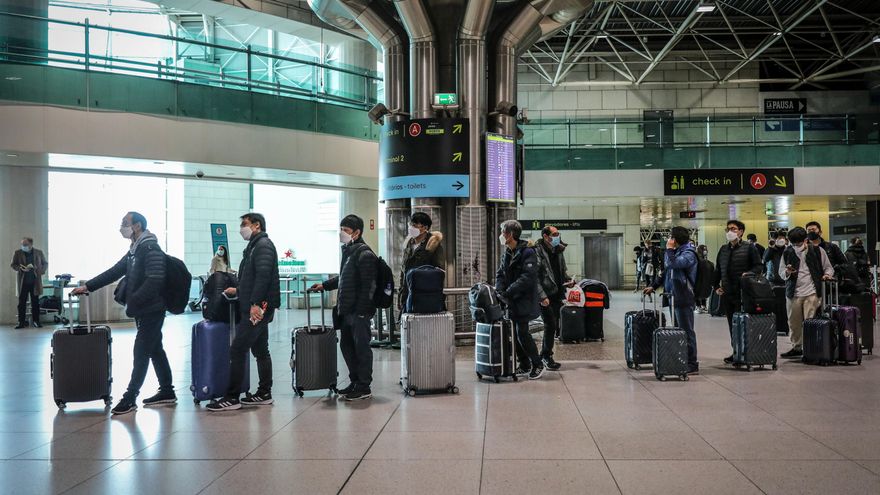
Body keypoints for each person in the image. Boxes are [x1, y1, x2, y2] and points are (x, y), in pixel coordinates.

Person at [71, 212, 174, 415]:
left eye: (125, 223)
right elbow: (115, 271)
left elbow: (155, 279)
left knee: (141, 351)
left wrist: (134, 301)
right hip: (144, 309)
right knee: (155, 349)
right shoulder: (134, 250)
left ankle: (130, 397)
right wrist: (88, 286)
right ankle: (167, 391)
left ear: (137, 226)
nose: (121, 227)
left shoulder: (150, 247)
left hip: (152, 309)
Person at [207, 213, 280, 411]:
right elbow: (252, 278)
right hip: (256, 304)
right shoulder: (255, 246)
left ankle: (232, 397)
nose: (241, 228)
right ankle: (264, 393)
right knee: (260, 350)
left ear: (256, 225)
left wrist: (255, 303)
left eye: (244, 224)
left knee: (238, 349)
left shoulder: (263, 246)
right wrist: (238, 290)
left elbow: (263, 277)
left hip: (258, 307)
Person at [311, 214, 377, 401]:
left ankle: (364, 386)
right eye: (341, 229)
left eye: (346, 230)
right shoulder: (350, 251)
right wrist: (325, 285)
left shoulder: (365, 254)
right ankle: (355, 382)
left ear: (357, 232)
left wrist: (363, 311)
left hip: (359, 312)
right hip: (347, 310)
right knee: (347, 347)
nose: (342, 233)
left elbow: (368, 285)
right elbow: (345, 278)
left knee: (361, 348)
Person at [644, 226, 699, 374]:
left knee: (686, 331)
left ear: (676, 239)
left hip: (684, 296)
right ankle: (681, 359)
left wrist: (668, 250)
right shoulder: (676, 252)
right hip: (673, 296)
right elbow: (666, 271)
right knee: (678, 331)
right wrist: (654, 286)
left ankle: (692, 363)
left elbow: (674, 264)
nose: (669, 240)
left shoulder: (689, 253)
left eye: (670, 237)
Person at [496, 220, 544, 380]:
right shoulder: (507, 252)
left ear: (510, 234)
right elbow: (501, 273)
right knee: (514, 333)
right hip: (511, 301)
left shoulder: (527, 252)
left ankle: (537, 364)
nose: (501, 235)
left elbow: (527, 277)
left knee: (522, 333)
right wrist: (500, 290)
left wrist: (508, 291)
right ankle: (524, 364)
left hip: (523, 299)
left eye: (503, 231)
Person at [713, 219, 763, 364]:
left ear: (741, 232)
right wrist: (716, 286)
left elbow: (758, 267)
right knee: (732, 323)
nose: (730, 231)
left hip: (744, 293)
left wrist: (748, 274)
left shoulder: (749, 248)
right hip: (728, 293)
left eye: (733, 229)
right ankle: (736, 351)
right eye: (727, 229)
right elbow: (718, 269)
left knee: (745, 323)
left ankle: (747, 352)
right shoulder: (723, 249)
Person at [779, 227, 834, 358]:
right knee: (793, 322)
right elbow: (781, 272)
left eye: (798, 243)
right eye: (793, 244)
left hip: (812, 292)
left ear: (805, 240)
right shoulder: (787, 252)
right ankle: (797, 347)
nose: (796, 246)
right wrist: (787, 272)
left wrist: (826, 275)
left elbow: (828, 268)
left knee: (810, 322)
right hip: (793, 293)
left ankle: (811, 347)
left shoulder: (817, 251)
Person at [531, 225, 573, 371]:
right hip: (546, 296)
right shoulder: (537, 251)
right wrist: (542, 296)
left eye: (558, 233)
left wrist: (569, 281)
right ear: (545, 236)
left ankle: (545, 355)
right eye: (554, 234)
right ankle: (545, 356)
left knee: (552, 326)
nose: (557, 236)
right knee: (550, 325)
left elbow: (561, 271)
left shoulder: (558, 250)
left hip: (556, 293)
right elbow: (534, 276)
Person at [398, 211, 444, 311]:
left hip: (425, 296)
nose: (411, 228)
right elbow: (403, 270)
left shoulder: (433, 246)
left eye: (415, 225)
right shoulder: (408, 244)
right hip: (407, 294)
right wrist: (401, 292)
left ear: (425, 228)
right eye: (410, 224)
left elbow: (439, 272)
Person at [10, 237, 48, 329]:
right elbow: (13, 264)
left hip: (35, 282)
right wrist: (20, 268)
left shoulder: (39, 252)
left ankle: (36, 321)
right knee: (21, 303)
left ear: (31, 244)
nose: (24, 246)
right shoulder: (17, 253)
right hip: (22, 282)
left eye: (26, 245)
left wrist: (40, 271)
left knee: (35, 303)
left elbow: (45, 263)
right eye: (22, 244)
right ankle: (21, 322)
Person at [695, 244, 710, 313]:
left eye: (706, 249)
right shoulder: (698, 258)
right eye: (704, 249)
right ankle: (698, 306)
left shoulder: (704, 258)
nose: (705, 251)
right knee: (698, 291)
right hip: (698, 277)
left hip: (704, 277)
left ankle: (703, 306)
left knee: (703, 291)